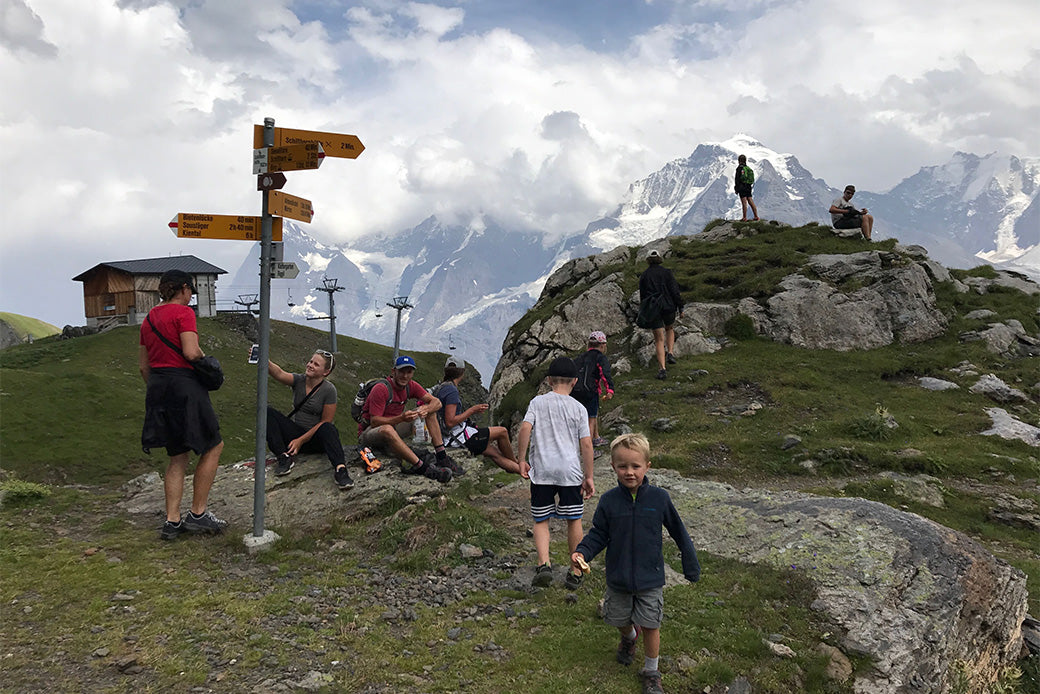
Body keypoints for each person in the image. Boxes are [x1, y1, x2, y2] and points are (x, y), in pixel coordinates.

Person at [571, 433, 700, 694]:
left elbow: (679, 531)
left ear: (647, 466)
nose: (629, 472)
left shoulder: (659, 499)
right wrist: (583, 551)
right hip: (618, 576)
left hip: (650, 577)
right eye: (622, 466)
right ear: (613, 467)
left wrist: (690, 565)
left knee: (651, 623)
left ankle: (652, 671)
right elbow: (598, 533)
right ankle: (629, 637)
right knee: (617, 617)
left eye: (635, 466)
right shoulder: (608, 501)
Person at [139, 269, 227, 541]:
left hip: (158, 386)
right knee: (213, 444)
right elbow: (190, 351)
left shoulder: (149, 318)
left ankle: (172, 521)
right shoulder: (183, 313)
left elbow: (144, 366)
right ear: (185, 289)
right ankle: (198, 514)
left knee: (177, 455)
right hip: (184, 385)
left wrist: (160, 385)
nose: (191, 297)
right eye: (191, 291)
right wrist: (206, 360)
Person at [517, 356, 595, 588]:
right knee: (574, 519)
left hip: (542, 471)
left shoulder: (537, 403)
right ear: (574, 381)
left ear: (549, 380)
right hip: (569, 472)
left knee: (541, 519)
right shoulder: (579, 408)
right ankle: (576, 570)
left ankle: (544, 564)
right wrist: (588, 476)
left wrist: (521, 459)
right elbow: (587, 444)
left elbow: (524, 428)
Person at [357, 355, 454, 483]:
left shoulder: (411, 386)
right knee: (387, 429)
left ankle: (441, 456)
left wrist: (425, 409)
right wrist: (401, 418)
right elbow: (375, 421)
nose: (405, 376)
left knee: (430, 411)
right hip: (370, 434)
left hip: (394, 428)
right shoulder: (381, 389)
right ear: (394, 372)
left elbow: (437, 403)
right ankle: (422, 467)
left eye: (409, 372)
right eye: (401, 371)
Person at [266, 350, 353, 489]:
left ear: (326, 372)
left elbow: (325, 421)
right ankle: (283, 456)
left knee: (328, 427)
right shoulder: (299, 380)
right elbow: (279, 373)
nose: (310, 365)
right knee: (268, 412)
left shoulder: (329, 390)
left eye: (316, 364)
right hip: (295, 434)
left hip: (315, 439)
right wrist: (265, 359)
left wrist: (300, 441)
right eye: (311, 361)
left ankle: (340, 470)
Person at [435, 355, 521, 474]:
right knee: (502, 432)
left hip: (447, 438)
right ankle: (517, 464)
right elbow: (450, 422)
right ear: (462, 373)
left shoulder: (441, 387)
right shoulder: (451, 390)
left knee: (494, 453)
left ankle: (523, 472)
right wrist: (472, 410)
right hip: (459, 438)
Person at [638, 249, 684, 380]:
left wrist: (644, 311)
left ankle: (662, 369)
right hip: (668, 306)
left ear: (648, 260)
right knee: (669, 328)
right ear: (659, 258)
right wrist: (681, 307)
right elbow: (675, 291)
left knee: (658, 339)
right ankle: (670, 352)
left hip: (653, 308)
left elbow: (643, 296)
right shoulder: (667, 273)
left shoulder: (644, 276)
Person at [570, 331, 615, 448]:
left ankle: (596, 438)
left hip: (575, 391)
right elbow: (605, 374)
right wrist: (609, 390)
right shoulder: (600, 357)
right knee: (590, 418)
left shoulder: (580, 358)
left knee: (591, 414)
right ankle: (588, 448)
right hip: (590, 391)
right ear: (602, 345)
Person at [734, 154, 759, 221]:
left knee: (744, 202)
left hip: (742, 187)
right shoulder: (748, 169)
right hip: (748, 186)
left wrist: (736, 189)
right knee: (750, 201)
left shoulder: (739, 168)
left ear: (739, 161)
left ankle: (744, 217)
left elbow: (737, 179)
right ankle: (756, 216)